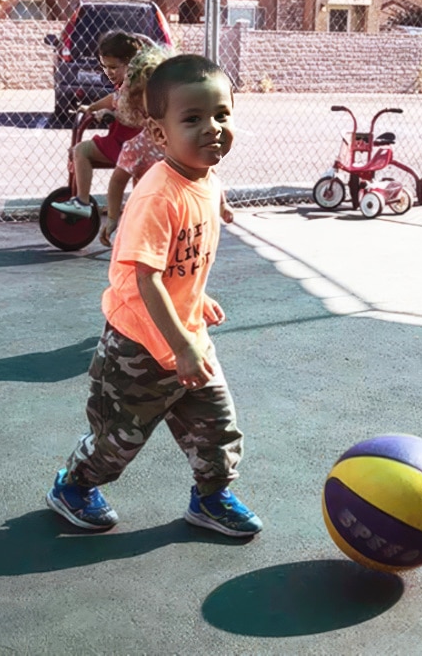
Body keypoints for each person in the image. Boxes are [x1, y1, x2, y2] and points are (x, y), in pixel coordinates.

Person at [46, 54, 262, 538]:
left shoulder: (205, 179)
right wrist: (181, 345)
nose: (212, 128)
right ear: (160, 135)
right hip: (138, 348)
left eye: (222, 115)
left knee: (217, 428)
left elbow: (182, 265)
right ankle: (73, 487)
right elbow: (146, 279)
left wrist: (195, 303)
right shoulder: (158, 195)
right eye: (193, 119)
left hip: (185, 333)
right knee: (117, 442)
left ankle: (211, 498)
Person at [99, 46, 236, 247]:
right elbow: (118, 181)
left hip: (186, 224)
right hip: (152, 225)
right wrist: (112, 217)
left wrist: (222, 204)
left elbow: (209, 175)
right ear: (138, 102)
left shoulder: (195, 142)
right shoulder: (138, 147)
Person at [51, 31, 146, 218]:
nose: (108, 72)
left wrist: (111, 115)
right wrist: (91, 107)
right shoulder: (129, 84)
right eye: (105, 67)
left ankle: (82, 201)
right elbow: (114, 98)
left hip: (126, 144)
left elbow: (132, 116)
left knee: (81, 151)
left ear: (130, 63)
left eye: (113, 67)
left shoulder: (134, 88)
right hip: (125, 142)